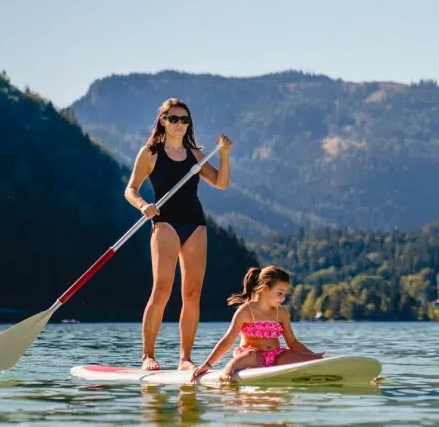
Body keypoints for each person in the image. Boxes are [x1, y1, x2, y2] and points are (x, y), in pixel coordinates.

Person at [125, 98, 233, 371]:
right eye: (174, 119)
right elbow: (131, 189)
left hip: (195, 223)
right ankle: (147, 355)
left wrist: (224, 154)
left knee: (193, 293)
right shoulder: (150, 152)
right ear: (163, 120)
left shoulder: (196, 154)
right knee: (162, 289)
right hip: (165, 222)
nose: (180, 124)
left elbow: (220, 183)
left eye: (185, 120)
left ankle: (185, 358)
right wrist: (143, 206)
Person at [191, 265, 324, 383]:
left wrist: (312, 356)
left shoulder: (281, 313)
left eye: (284, 294)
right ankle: (228, 370)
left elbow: (293, 343)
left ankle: (319, 363)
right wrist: (208, 364)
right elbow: (228, 340)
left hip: (276, 356)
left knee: (290, 355)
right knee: (252, 355)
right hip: (252, 357)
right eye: (279, 293)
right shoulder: (245, 311)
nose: (283, 298)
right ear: (265, 288)